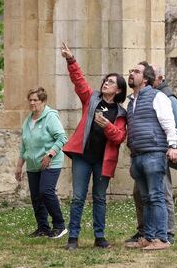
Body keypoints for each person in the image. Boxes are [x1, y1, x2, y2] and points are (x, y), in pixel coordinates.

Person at [61, 42, 127, 251]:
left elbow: (118, 138)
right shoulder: (92, 99)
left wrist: (107, 126)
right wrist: (71, 60)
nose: (106, 83)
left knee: (99, 198)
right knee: (78, 197)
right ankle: (73, 238)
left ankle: (99, 237)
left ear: (118, 90)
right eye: (105, 80)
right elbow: (79, 82)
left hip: (103, 161)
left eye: (111, 82)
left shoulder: (120, 113)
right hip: (83, 157)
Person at [125, 66, 177, 246]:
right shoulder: (131, 102)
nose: (131, 73)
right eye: (131, 70)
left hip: (154, 153)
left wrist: (173, 146)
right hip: (137, 155)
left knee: (156, 196)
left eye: (136, 71)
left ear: (145, 79)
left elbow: (169, 123)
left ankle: (161, 238)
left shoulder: (158, 97)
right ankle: (149, 237)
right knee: (145, 198)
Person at [15, 86, 67, 239]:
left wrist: (50, 155)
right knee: (36, 197)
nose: (32, 103)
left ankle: (60, 225)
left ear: (43, 101)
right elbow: (24, 146)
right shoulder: (27, 121)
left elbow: (62, 138)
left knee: (46, 192)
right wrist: (19, 166)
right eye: (30, 100)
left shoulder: (50, 117)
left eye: (35, 100)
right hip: (32, 164)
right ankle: (43, 228)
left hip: (50, 162)